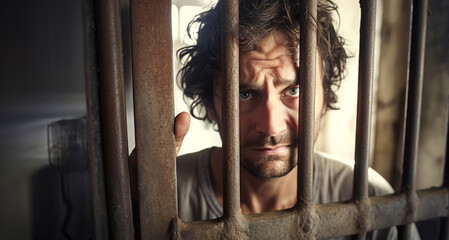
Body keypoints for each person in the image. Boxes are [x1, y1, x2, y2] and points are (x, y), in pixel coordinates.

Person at [132, 0, 420, 239]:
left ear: (324, 96)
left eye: (293, 90)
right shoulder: (162, 197)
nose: (271, 125)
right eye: (244, 94)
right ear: (210, 104)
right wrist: (131, 206)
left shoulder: (368, 198)